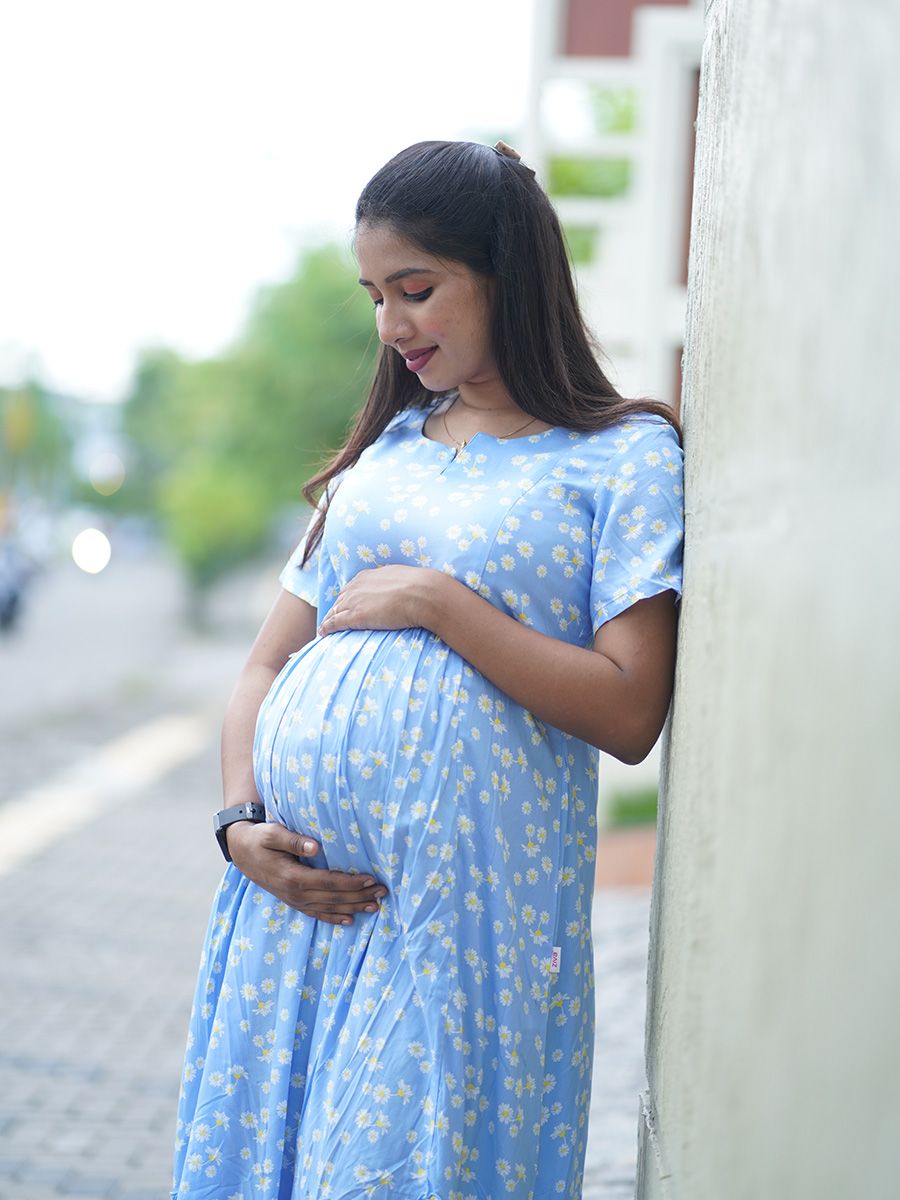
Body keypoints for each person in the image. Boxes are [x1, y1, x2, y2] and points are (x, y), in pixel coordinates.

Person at [171, 140, 684, 1200]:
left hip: (462, 926)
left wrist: (440, 606)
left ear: (510, 276)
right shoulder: (384, 456)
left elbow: (633, 707)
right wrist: (238, 828)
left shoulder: (623, 457)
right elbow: (266, 666)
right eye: (375, 296)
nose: (390, 326)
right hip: (296, 912)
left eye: (416, 289)